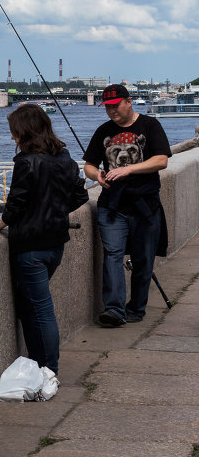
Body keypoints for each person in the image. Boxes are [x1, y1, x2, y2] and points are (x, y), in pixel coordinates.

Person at [0, 104, 89, 377]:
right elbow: (80, 196)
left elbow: (16, 204)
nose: (12, 138)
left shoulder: (26, 162)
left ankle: (48, 369)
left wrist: (0, 222)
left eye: (15, 132)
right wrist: (54, 212)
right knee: (31, 307)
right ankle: (36, 363)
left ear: (25, 131)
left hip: (30, 247)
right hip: (55, 244)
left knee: (40, 309)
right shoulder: (65, 159)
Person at [82, 84, 171, 327]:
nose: (111, 111)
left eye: (115, 105)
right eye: (107, 107)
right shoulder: (103, 131)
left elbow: (161, 160)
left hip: (145, 205)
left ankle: (136, 308)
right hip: (113, 206)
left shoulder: (150, 126)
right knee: (113, 255)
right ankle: (114, 310)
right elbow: (88, 165)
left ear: (128, 101)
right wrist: (96, 176)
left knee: (143, 259)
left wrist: (128, 169)